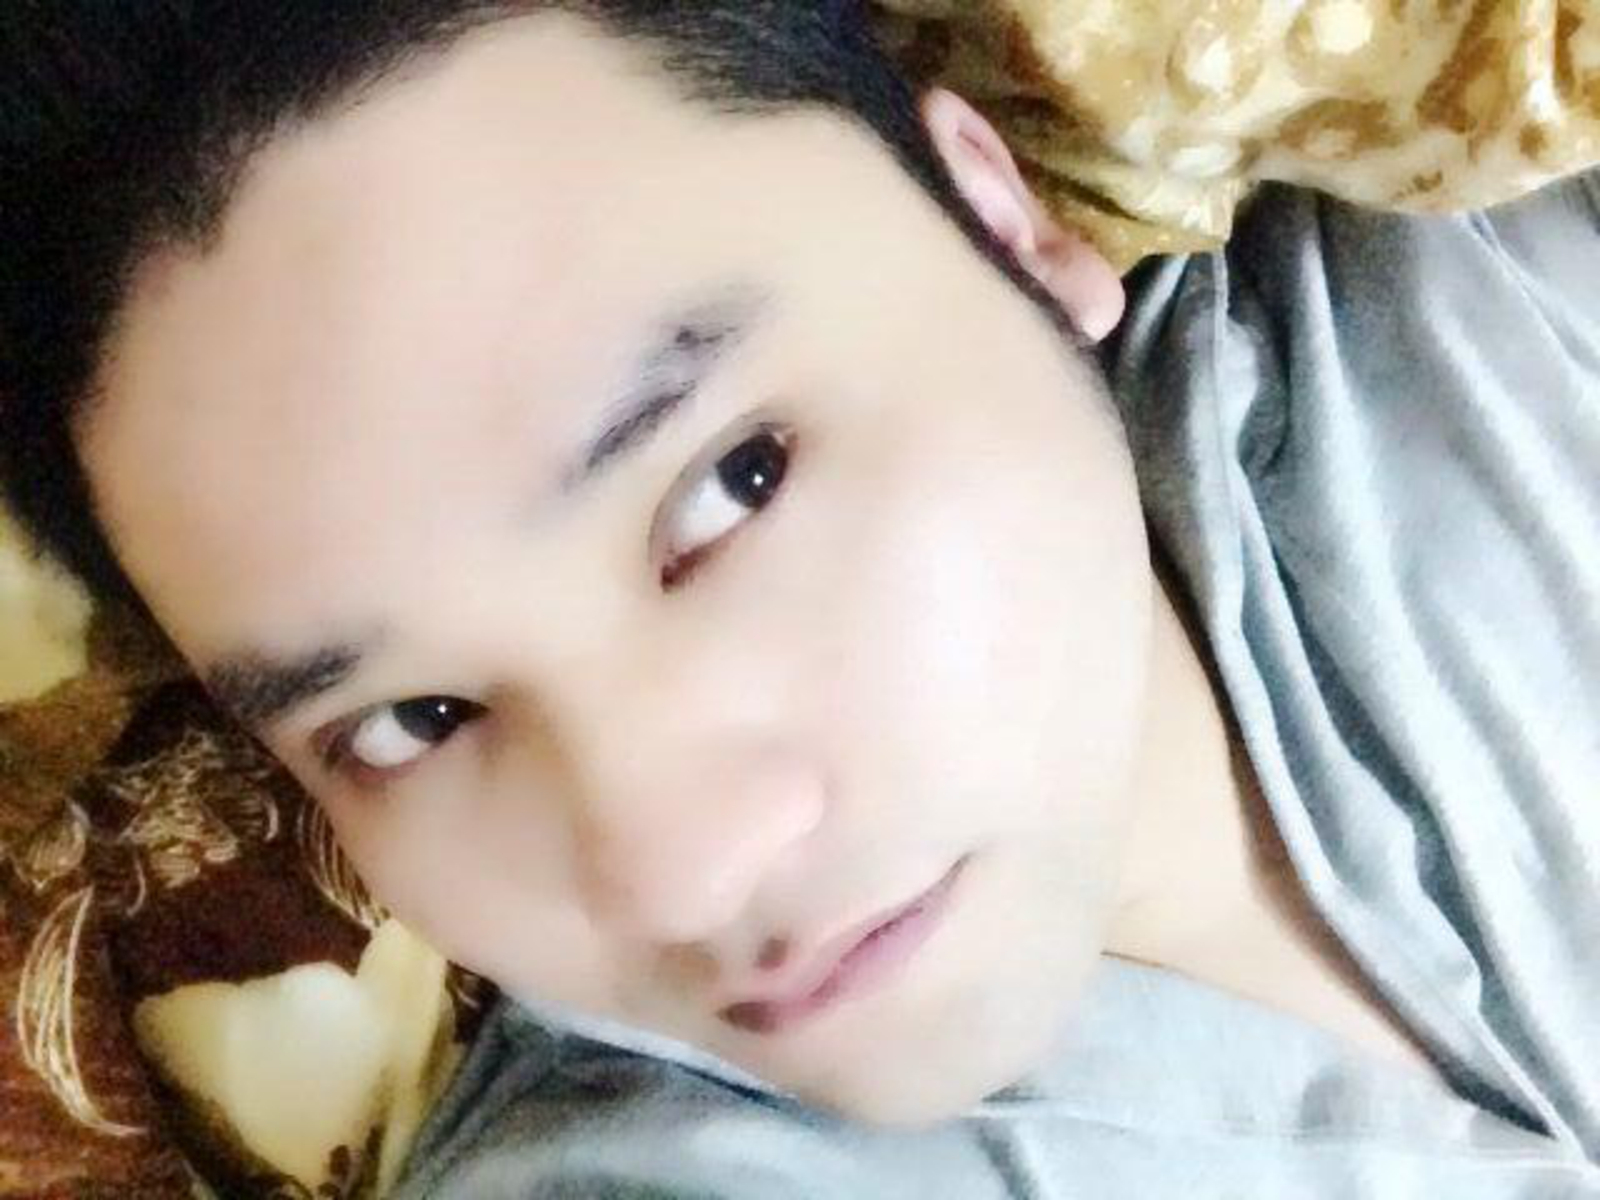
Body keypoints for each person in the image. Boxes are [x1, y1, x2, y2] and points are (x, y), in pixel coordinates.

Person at [1, 3, 1595, 1195]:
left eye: (733, 483)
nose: (681, 868)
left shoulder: (1501, 297)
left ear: (1008, 222)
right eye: (413, 721)